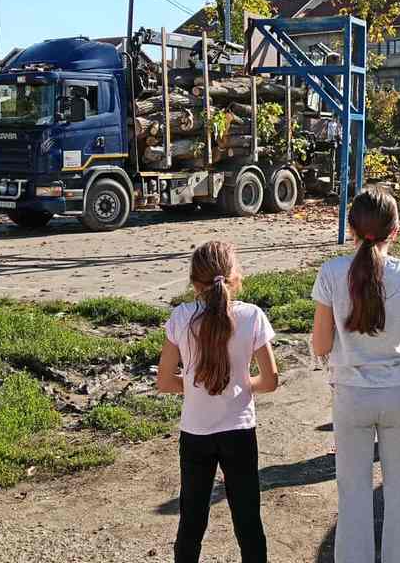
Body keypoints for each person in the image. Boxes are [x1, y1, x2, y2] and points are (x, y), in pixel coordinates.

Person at [311, 187, 400, 563]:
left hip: (351, 396)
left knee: (352, 495)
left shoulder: (331, 273)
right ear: (396, 230)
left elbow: (321, 345)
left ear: (350, 229)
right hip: (399, 396)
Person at [156, 241, 279, 563]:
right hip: (239, 431)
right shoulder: (252, 316)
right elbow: (270, 380)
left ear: (194, 282)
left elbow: (165, 381)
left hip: (195, 433)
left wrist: (200, 387)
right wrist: (240, 385)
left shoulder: (181, 317)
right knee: (248, 520)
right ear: (235, 277)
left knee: (192, 522)